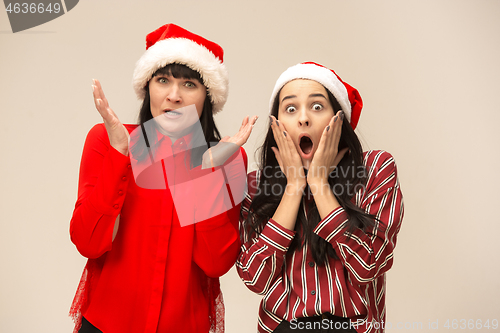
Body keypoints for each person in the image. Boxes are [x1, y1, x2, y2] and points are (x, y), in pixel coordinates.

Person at [69, 23, 257, 333]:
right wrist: (119, 155)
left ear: (207, 95)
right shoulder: (107, 140)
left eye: (189, 84)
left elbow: (215, 263)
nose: (174, 95)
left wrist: (207, 172)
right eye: (163, 80)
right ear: (147, 87)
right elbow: (88, 242)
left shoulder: (229, 157)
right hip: (105, 324)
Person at [237, 62, 404, 333]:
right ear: (277, 126)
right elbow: (256, 279)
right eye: (290, 109)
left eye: (317, 107)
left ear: (338, 119)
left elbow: (368, 266)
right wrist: (293, 188)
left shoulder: (375, 169)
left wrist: (318, 184)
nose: (303, 118)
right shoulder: (255, 185)